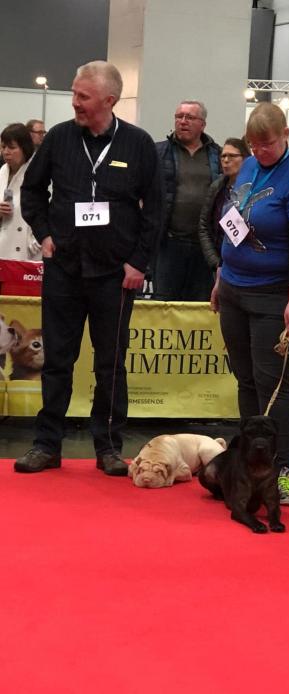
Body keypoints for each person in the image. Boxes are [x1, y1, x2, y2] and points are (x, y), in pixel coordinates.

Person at [14, 60, 163, 476]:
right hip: (63, 269)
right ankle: (46, 444)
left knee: (110, 363)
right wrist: (44, 233)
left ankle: (109, 447)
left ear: (109, 100)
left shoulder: (138, 144)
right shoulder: (60, 138)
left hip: (115, 274)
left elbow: (155, 210)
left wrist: (139, 262)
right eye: (75, 94)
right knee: (56, 360)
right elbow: (32, 190)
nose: (75, 102)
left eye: (83, 96)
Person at [211, 103, 289, 505]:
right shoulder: (248, 168)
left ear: (286, 134)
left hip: (274, 294)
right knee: (245, 380)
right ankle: (249, 467)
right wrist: (221, 275)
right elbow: (232, 226)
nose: (260, 152)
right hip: (234, 287)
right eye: (253, 145)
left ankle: (284, 470)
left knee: (274, 386)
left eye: (268, 144)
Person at [154, 100, 221, 300]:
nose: (183, 121)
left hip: (205, 247)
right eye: (179, 116)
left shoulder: (217, 155)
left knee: (200, 306)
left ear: (203, 124)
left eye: (190, 117)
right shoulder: (158, 152)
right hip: (169, 244)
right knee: (164, 305)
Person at [198, 137, 250, 272]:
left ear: (246, 159)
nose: (226, 160)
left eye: (232, 156)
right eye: (223, 156)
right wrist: (215, 262)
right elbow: (204, 226)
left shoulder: (253, 189)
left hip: (247, 264)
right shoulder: (217, 187)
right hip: (220, 262)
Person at [0, 123, 41, 260]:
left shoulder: (37, 172)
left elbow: (51, 212)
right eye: (3, 147)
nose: (6, 152)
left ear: (25, 148)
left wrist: (37, 242)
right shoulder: (2, 171)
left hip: (26, 251)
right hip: (3, 246)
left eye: (12, 147)